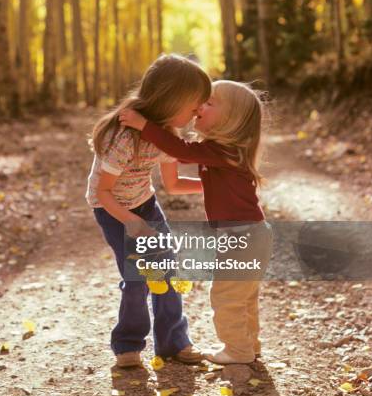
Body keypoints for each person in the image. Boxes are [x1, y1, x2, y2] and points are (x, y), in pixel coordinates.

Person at [119, 80, 273, 365]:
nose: (200, 107)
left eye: (209, 103)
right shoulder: (222, 152)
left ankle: (238, 350)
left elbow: (182, 151)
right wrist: (206, 186)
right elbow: (197, 181)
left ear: (231, 121)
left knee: (227, 296)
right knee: (245, 296)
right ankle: (249, 344)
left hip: (243, 237)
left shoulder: (223, 150)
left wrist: (145, 126)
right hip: (251, 235)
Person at [86, 54, 212, 368]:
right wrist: (131, 222)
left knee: (167, 269)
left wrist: (212, 185)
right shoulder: (125, 137)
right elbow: (103, 191)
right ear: (172, 99)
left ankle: (173, 342)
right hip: (112, 209)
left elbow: (173, 184)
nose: (197, 114)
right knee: (139, 276)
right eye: (194, 106)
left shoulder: (167, 133)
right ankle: (127, 345)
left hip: (144, 202)